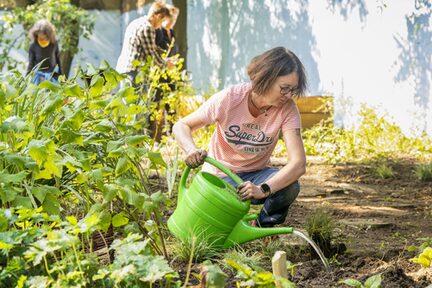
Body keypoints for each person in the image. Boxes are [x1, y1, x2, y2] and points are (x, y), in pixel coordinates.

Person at [172, 47, 307, 228]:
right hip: (219, 177)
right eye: (284, 89)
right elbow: (181, 125)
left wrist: (263, 189)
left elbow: (298, 163)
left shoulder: (287, 109)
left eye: (293, 90)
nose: (289, 96)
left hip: (255, 178)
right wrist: (191, 150)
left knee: (290, 187)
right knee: (203, 229)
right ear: (265, 78)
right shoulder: (230, 99)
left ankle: (260, 226)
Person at [116, 0, 173, 83]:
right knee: (136, 96)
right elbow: (150, 54)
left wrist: (163, 59)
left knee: (128, 96)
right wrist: (165, 64)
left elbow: (148, 48)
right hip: (133, 72)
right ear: (157, 16)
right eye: (162, 20)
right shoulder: (148, 28)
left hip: (125, 69)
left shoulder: (137, 22)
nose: (161, 25)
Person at [27, 19, 62, 85]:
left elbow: (58, 60)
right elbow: (31, 63)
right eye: (39, 33)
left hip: (52, 75)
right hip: (38, 76)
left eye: (43, 33)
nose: (41, 35)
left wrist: (61, 75)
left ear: (48, 33)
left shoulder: (54, 44)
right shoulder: (33, 46)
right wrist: (27, 76)